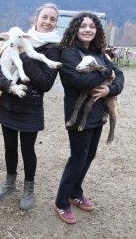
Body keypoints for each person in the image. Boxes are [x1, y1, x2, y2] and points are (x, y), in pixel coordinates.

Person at [53, 12, 124, 224]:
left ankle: (75, 192)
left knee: (89, 156)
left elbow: (118, 75)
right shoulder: (69, 53)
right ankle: (61, 201)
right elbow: (80, 80)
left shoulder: (99, 53)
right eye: (83, 25)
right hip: (77, 118)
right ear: (75, 28)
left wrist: (110, 90)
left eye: (92, 26)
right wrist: (106, 73)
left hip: (97, 114)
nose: (87, 29)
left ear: (96, 30)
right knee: (77, 158)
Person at [0, 3, 62, 210]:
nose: (48, 22)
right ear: (36, 19)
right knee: (9, 147)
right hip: (9, 102)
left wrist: (23, 53)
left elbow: (45, 83)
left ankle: (28, 188)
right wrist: (8, 86)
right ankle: (10, 183)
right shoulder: (17, 36)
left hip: (31, 107)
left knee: (27, 149)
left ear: (56, 23)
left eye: (52, 19)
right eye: (44, 17)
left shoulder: (54, 49)